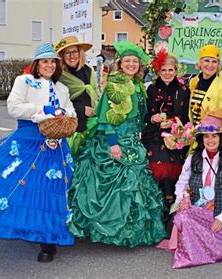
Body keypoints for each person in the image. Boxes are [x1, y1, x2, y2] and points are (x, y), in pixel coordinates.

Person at [68, 41, 167, 247]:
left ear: (140, 65)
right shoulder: (115, 86)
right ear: (120, 64)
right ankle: (109, 230)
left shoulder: (139, 86)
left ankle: (131, 230)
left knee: (136, 185)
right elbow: (105, 118)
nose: (131, 64)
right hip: (114, 142)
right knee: (120, 185)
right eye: (127, 61)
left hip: (133, 141)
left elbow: (140, 116)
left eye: (135, 61)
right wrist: (114, 145)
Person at [0, 43, 76, 262]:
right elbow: (13, 108)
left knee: (50, 190)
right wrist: (41, 110)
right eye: (45, 61)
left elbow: (71, 110)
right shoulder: (23, 81)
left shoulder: (61, 88)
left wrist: (61, 112)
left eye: (53, 61)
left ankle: (47, 241)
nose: (49, 65)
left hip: (55, 143)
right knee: (23, 186)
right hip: (28, 139)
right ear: (37, 64)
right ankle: (23, 227)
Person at [162, 112, 222, 268]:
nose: (210, 140)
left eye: (214, 136)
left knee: (216, 240)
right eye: (206, 136)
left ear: (220, 138)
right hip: (193, 211)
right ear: (201, 139)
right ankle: (193, 253)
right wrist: (182, 200)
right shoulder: (193, 158)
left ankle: (199, 246)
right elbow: (181, 183)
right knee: (183, 218)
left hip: (216, 213)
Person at [142, 49, 190, 209]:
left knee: (174, 173)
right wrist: (152, 118)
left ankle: (172, 206)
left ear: (176, 70)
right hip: (154, 136)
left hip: (176, 137)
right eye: (164, 70)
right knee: (156, 170)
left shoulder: (184, 91)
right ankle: (156, 206)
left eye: (171, 70)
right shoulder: (151, 89)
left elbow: (187, 116)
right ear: (158, 71)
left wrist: (174, 121)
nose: (167, 73)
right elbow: (144, 115)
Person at [54, 36, 100, 156]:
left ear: (80, 53)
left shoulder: (89, 71)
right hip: (71, 127)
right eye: (67, 53)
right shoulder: (58, 74)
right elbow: (55, 102)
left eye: (74, 51)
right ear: (62, 56)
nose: (71, 56)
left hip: (90, 125)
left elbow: (95, 93)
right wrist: (81, 110)